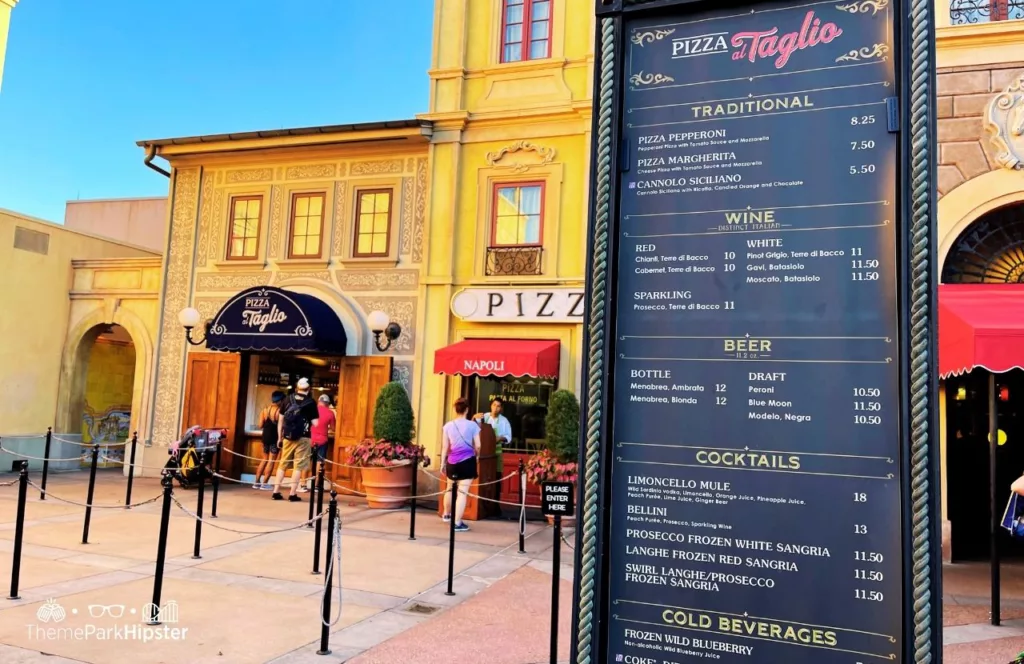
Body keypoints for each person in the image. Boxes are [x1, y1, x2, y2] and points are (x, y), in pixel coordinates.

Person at [272, 378, 319, 502]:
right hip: (304, 437)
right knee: (298, 466)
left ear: (296, 388)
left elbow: (280, 420)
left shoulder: (288, 399)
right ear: (308, 389)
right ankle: (292, 494)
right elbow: (316, 423)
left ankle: (276, 491)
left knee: (282, 464)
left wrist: (279, 437)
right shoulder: (311, 402)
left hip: (287, 437)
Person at [441, 397, 481, 532]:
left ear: (455, 409)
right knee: (462, 493)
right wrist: (477, 455)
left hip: (452, 461)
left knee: (449, 488)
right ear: (467, 410)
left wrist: (442, 463)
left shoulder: (448, 426)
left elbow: (445, 447)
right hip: (467, 461)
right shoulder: (473, 426)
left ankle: (446, 514)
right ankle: (457, 522)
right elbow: (479, 445)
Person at [253, 391, 285, 490]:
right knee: (271, 460)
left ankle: (256, 482)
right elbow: (282, 427)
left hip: (265, 436)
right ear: (280, 401)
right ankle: (265, 483)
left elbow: (260, 425)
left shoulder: (265, 410)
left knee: (264, 459)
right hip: (275, 437)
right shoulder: (280, 411)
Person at [308, 394, 336, 484]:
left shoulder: (311, 410)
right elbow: (333, 428)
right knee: (319, 462)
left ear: (319, 401)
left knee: (306, 461)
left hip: (310, 439)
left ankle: (303, 484)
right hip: (322, 440)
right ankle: (316, 484)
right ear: (327, 404)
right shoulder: (330, 413)